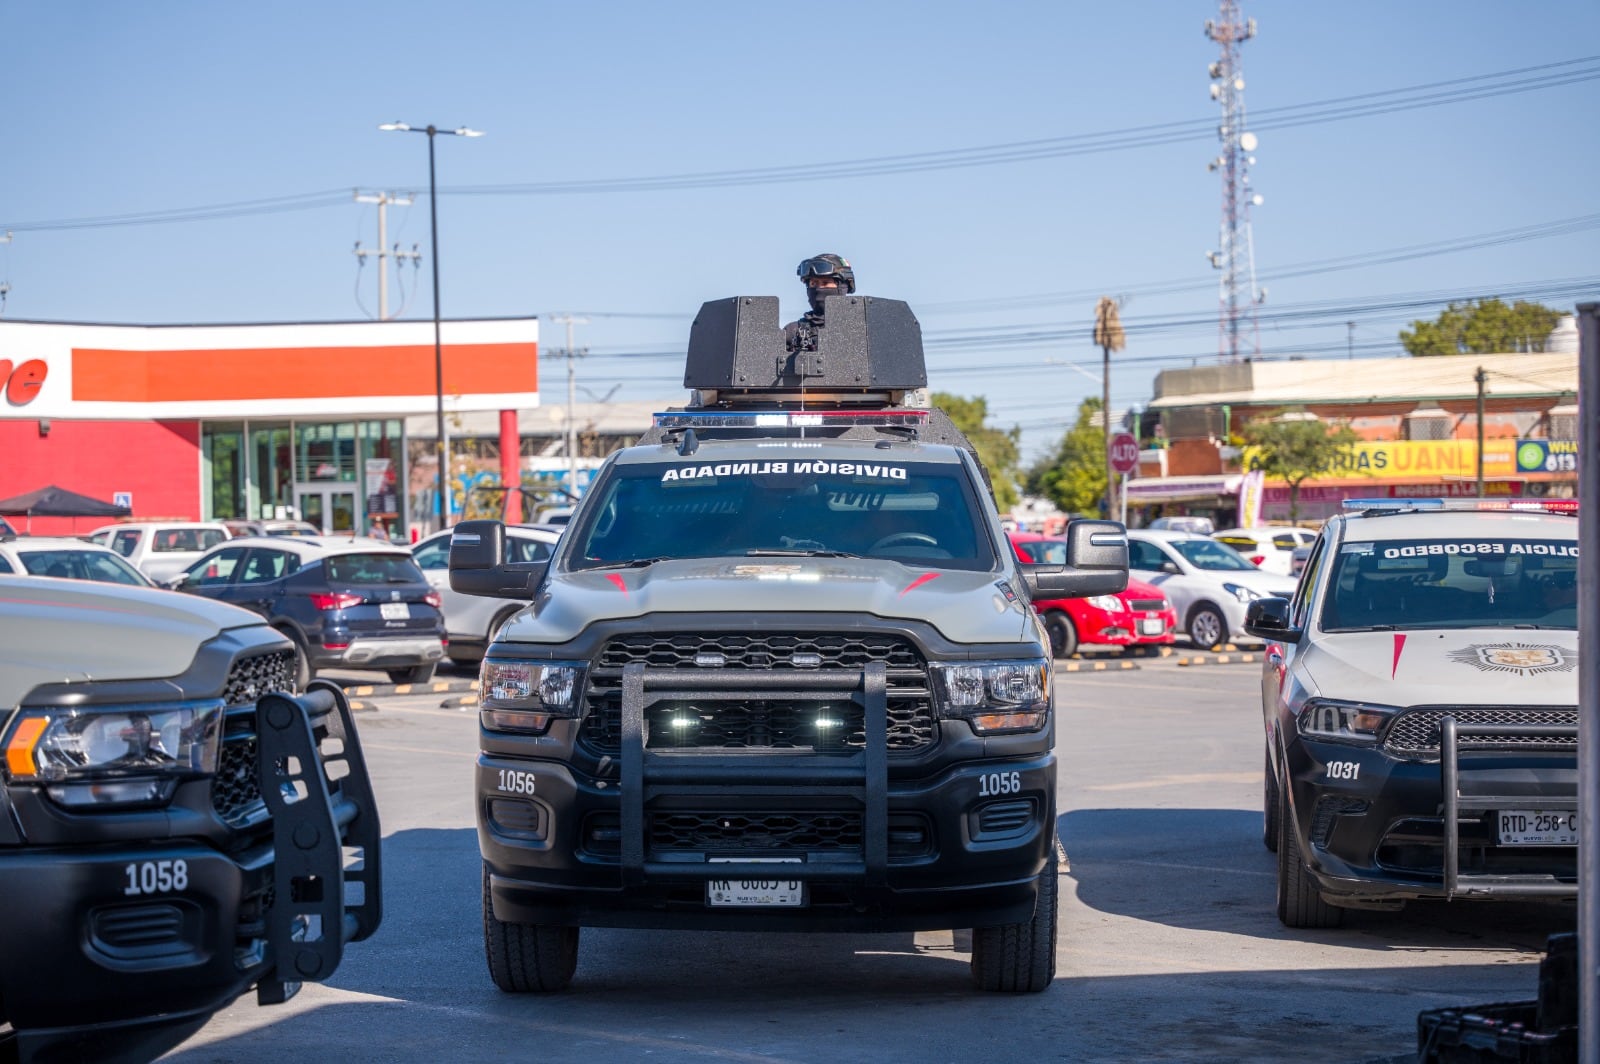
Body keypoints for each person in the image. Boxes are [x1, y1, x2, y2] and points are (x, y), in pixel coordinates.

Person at [783, 253, 854, 353]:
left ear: (842, 287)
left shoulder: (859, 328)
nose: (818, 289)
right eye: (813, 283)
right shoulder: (793, 332)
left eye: (825, 283)